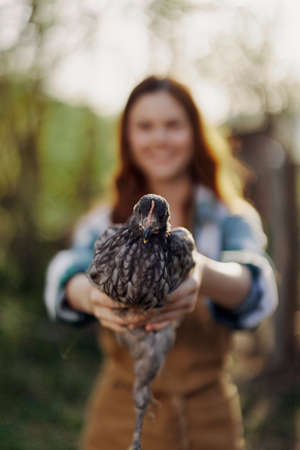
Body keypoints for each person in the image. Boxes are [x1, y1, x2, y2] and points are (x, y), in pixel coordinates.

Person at [44, 76, 278, 450]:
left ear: (195, 133)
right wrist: (91, 297)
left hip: (208, 418)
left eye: (173, 125)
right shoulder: (107, 220)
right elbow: (63, 273)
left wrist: (201, 272)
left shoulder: (228, 217)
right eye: (145, 126)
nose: (159, 138)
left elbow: (257, 285)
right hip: (120, 417)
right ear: (128, 138)